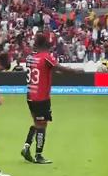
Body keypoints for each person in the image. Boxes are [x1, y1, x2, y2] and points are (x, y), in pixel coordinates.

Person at [21, 34, 83, 164]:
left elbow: (48, 70)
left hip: (30, 96)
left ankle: (26, 147)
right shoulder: (46, 57)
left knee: (36, 123)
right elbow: (58, 68)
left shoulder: (31, 57)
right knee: (42, 125)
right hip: (41, 97)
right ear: (45, 46)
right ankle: (38, 155)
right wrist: (76, 71)